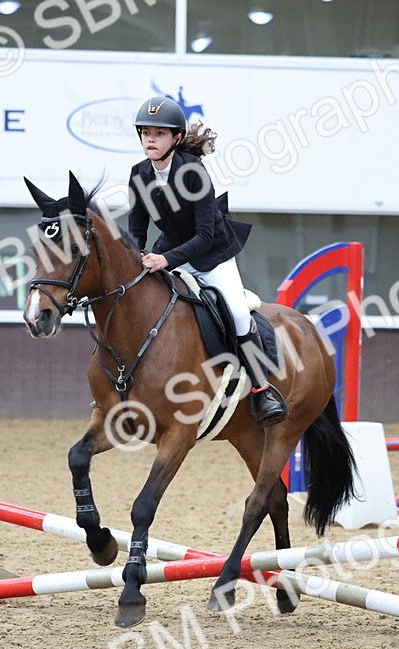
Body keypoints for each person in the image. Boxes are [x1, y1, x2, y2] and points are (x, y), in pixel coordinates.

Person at [127, 96, 286, 427]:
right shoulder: (138, 174)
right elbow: (136, 228)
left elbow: (204, 236)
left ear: (177, 139)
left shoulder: (193, 172)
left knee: (240, 315)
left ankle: (262, 389)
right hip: (168, 254)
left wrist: (164, 259)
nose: (150, 139)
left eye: (159, 133)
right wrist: (136, 258)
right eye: (145, 133)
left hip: (211, 256)